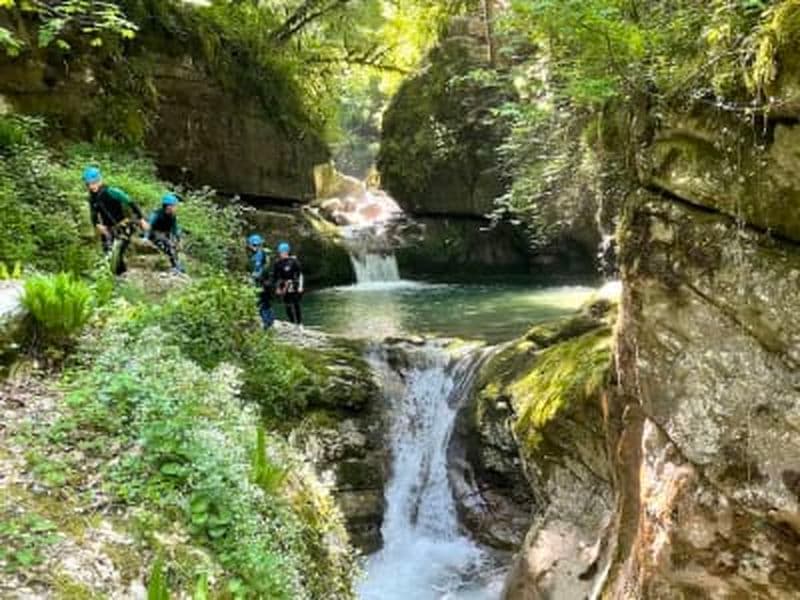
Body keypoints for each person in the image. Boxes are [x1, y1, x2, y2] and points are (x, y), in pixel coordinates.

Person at [84, 166, 148, 275]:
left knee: (117, 251)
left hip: (123, 225)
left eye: (94, 182)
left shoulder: (112, 191)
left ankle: (120, 275)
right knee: (108, 253)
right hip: (107, 228)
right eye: (89, 184)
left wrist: (141, 219)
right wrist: (97, 225)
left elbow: (130, 202)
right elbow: (93, 214)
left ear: (100, 180)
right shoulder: (92, 198)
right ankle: (117, 276)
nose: (92, 186)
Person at [147, 193, 185, 274]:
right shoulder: (157, 214)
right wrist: (145, 237)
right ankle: (174, 266)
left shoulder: (172, 217)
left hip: (165, 235)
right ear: (168, 206)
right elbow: (149, 225)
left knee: (173, 245)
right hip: (155, 235)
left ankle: (177, 265)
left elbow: (175, 229)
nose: (176, 208)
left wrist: (179, 240)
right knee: (168, 245)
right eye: (175, 206)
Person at [272, 241, 304, 325]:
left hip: (294, 284)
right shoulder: (277, 263)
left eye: (282, 252)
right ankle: (292, 322)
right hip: (284, 285)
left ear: (287, 252)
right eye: (280, 252)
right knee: (287, 305)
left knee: (296, 304)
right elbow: (275, 277)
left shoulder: (293, 261)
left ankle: (299, 323)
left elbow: (300, 274)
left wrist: (300, 286)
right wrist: (277, 288)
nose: (281, 254)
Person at [247, 234, 274, 329]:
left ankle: (267, 324)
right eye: (254, 245)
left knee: (262, 303)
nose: (255, 247)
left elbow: (262, 269)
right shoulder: (261, 254)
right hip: (266, 282)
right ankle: (270, 322)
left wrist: (253, 277)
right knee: (266, 303)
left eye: (257, 245)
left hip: (264, 283)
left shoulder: (261, 255)